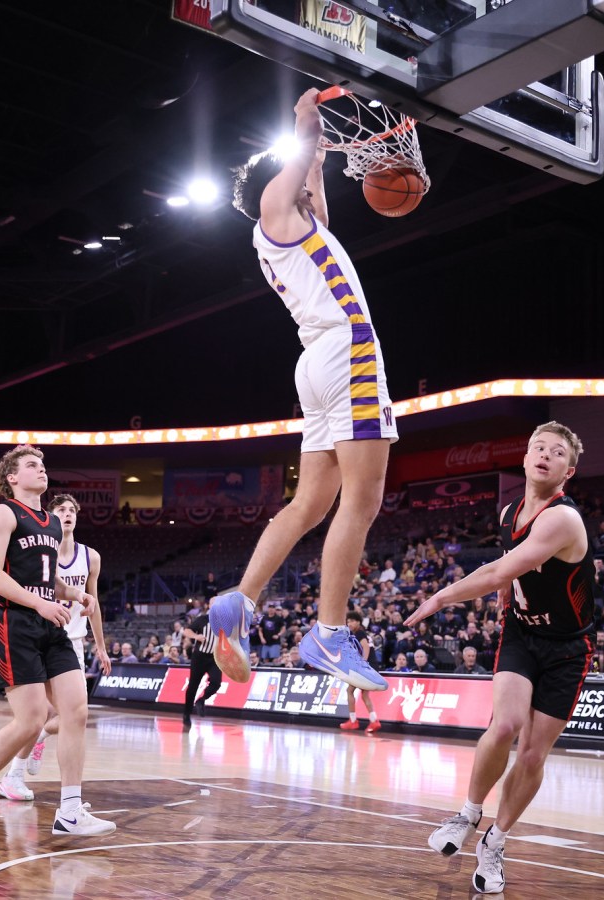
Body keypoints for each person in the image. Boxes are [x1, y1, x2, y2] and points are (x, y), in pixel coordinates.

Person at [211, 87, 396, 694]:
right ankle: (329, 633)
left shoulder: (299, 230)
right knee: (362, 502)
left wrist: (316, 163)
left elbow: (317, 193)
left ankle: (240, 600)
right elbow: (301, 155)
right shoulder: (272, 208)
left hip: (319, 361)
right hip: (347, 351)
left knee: (310, 504)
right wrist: (304, 121)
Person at [408, 421, 594, 895]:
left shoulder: (562, 518)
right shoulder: (510, 510)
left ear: (568, 471)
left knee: (532, 753)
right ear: (526, 457)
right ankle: (467, 814)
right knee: (505, 723)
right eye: (538, 447)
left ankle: (496, 840)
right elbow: (510, 569)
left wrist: (441, 597)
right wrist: (508, 588)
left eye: (557, 452)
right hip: (521, 634)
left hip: (567, 648)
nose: (545, 455)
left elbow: (497, 571)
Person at [0, 444, 114, 838]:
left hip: (50, 622)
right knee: (32, 720)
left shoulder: (52, 523)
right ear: (12, 477)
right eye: (31, 465)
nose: (41, 469)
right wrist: (40, 603)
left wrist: (74, 594)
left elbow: (46, 578)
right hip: (13, 622)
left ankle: (70, 811)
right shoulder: (3, 514)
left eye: (42, 464)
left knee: (75, 712)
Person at [0, 493, 113, 801]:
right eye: (61, 509)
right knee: (38, 713)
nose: (67, 514)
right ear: (50, 516)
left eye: (71, 510)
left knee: (74, 714)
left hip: (71, 641)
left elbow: (93, 604)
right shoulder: (40, 550)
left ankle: (37, 752)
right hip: (39, 635)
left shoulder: (91, 557)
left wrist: (100, 646)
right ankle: (14, 774)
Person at [181, 605, 222, 729]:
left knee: (216, 683)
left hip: (215, 657)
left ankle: (201, 700)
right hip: (199, 657)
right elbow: (187, 631)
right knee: (193, 686)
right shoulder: (202, 619)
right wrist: (196, 636)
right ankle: (186, 713)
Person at [338, 611, 380, 733]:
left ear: (358, 622)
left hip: (367, 666)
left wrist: (362, 664)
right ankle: (373, 720)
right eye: (348, 621)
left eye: (352, 621)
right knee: (364, 694)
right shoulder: (356, 635)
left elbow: (365, 647)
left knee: (350, 691)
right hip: (372, 666)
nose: (349, 624)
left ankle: (354, 721)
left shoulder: (360, 633)